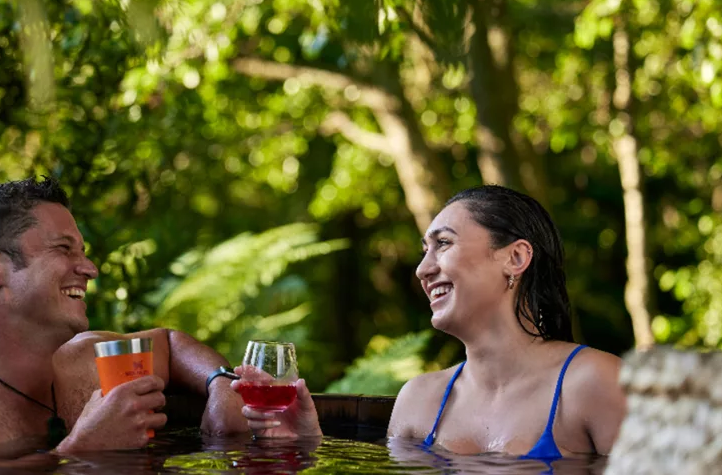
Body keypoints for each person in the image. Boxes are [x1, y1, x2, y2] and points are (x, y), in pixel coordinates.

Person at [235, 185, 627, 460]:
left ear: (515, 258)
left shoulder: (595, 383)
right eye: (425, 250)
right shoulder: (419, 401)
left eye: (443, 243)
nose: (423, 269)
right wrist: (308, 448)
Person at [0, 177, 248, 453]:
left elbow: (169, 343)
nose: (90, 269)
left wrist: (221, 384)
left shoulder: (89, 362)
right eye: (64, 249)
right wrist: (80, 452)